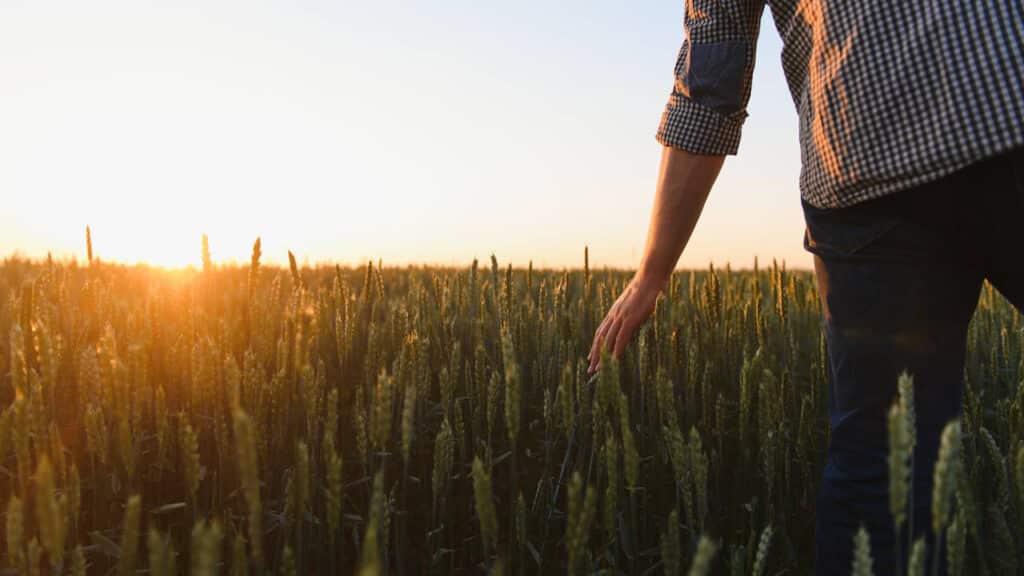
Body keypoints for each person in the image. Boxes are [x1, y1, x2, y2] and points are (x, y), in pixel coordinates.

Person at [586, 1, 1023, 574]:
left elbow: (710, 81)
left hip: (862, 156)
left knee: (882, 481)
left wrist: (652, 274)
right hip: (1005, 95)